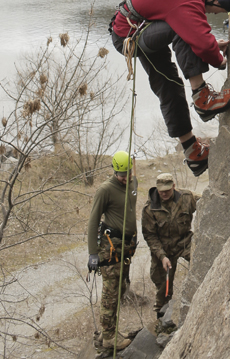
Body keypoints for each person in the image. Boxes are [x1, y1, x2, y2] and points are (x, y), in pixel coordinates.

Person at [109, 0, 230, 175]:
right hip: (129, 34)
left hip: (141, 22)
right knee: (183, 30)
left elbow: (191, 25)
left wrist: (209, 43)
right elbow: (198, 38)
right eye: (217, 11)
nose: (211, 13)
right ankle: (204, 99)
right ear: (219, 0)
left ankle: (194, 153)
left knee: (168, 84)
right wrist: (219, 60)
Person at [86, 151, 138, 353]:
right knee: (110, 292)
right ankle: (108, 337)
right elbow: (93, 221)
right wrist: (93, 253)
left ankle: (110, 331)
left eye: (127, 173)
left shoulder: (132, 183)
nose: (124, 178)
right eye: (120, 175)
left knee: (120, 290)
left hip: (125, 247)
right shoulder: (105, 190)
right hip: (110, 247)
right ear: (114, 171)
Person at [141, 172, 199, 330]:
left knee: (202, 263)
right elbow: (150, 236)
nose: (164, 193)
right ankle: (163, 323)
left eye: (167, 190)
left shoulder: (187, 197)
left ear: (174, 186)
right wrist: (162, 256)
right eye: (161, 190)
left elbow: (209, 200)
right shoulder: (149, 208)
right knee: (163, 288)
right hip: (163, 249)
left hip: (185, 242)